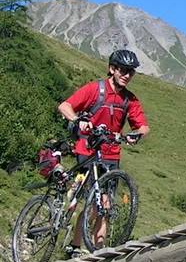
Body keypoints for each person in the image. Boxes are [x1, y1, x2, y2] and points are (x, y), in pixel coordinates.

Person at [58, 49, 149, 251]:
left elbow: (143, 126)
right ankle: (75, 244)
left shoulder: (129, 100)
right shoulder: (95, 90)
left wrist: (137, 134)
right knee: (94, 203)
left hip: (111, 155)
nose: (127, 75)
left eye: (131, 72)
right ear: (112, 69)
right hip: (88, 150)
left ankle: (98, 252)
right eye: (123, 70)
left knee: (104, 206)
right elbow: (65, 106)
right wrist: (77, 120)